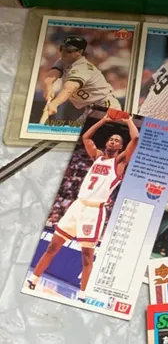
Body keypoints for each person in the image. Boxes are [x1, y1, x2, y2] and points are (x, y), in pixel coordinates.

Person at [27, 112, 139, 300]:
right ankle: (33, 279)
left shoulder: (119, 162)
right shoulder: (97, 156)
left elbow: (135, 138)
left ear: (121, 147)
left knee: (87, 256)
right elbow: (86, 137)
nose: (113, 142)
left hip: (94, 211)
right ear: (107, 142)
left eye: (117, 141)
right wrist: (103, 120)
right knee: (53, 247)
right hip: (77, 206)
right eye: (111, 139)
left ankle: (82, 294)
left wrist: (128, 120)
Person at [42, 35, 121, 121]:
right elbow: (50, 77)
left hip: (105, 106)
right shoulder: (63, 61)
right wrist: (48, 88)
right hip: (91, 108)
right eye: (62, 49)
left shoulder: (83, 68)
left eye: (68, 51)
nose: (63, 53)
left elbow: (68, 89)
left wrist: (54, 103)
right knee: (73, 129)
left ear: (79, 52)